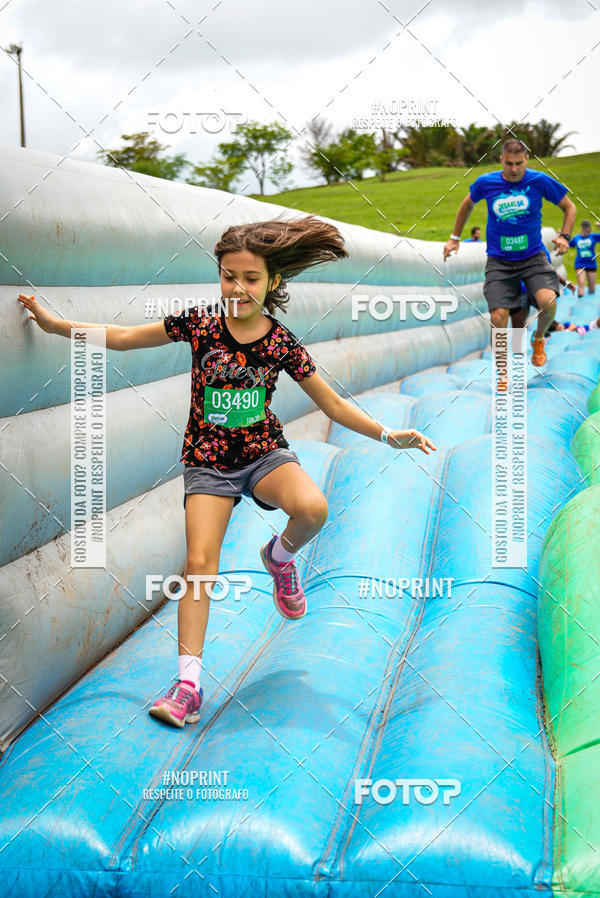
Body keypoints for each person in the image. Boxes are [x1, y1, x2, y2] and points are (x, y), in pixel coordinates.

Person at [17, 215, 436, 729]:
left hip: (263, 455)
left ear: (274, 282)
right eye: (227, 275)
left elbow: (331, 404)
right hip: (209, 462)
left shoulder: (281, 343)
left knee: (313, 508)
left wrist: (388, 435)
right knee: (199, 563)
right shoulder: (200, 324)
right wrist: (57, 326)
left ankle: (279, 558)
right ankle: (187, 686)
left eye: (250, 278)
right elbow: (126, 336)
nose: (236, 288)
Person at [443, 138, 576, 366]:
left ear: (526, 159)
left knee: (549, 302)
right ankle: (502, 366)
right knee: (498, 316)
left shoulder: (539, 180)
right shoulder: (486, 182)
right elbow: (467, 204)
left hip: (533, 257)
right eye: (509, 164)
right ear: (501, 160)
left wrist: (564, 235)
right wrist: (454, 238)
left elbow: (569, 206)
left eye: (518, 164)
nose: (514, 170)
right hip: (500, 261)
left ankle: (539, 338)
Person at [569, 220, 600, 297]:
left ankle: (590, 305)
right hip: (580, 264)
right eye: (583, 227)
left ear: (589, 228)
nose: (584, 229)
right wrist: (562, 237)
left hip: (591, 264)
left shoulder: (593, 236)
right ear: (581, 228)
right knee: (581, 282)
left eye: (586, 227)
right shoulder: (577, 238)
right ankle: (580, 302)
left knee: (592, 290)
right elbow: (569, 244)